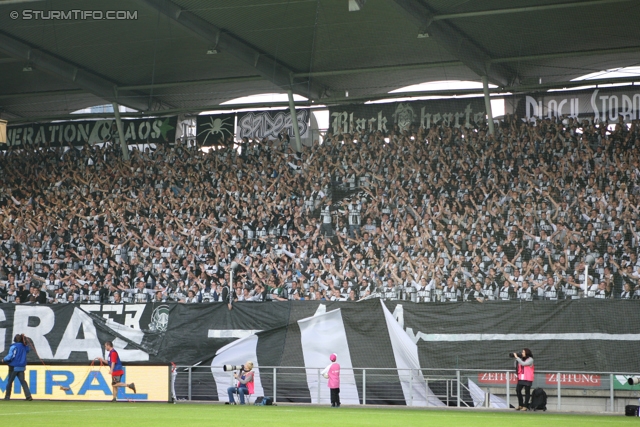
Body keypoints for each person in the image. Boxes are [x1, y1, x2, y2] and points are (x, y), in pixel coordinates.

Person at [2, 334, 33, 401]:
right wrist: (25, 343)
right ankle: (28, 396)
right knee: (23, 382)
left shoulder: (13, 346)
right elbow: (27, 350)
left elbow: (11, 356)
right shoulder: (25, 347)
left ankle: (7, 396)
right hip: (21, 366)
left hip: (14, 366)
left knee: (10, 381)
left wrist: (4, 359)